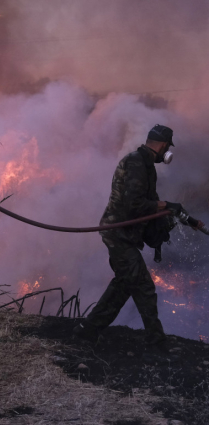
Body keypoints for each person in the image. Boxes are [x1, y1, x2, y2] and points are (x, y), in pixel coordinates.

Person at [73, 124, 188, 347]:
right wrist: (167, 204)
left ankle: (87, 331)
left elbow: (150, 203)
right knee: (143, 285)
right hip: (118, 233)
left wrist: (171, 216)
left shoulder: (146, 166)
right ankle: (157, 340)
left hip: (124, 233)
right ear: (164, 146)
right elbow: (135, 204)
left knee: (124, 284)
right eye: (167, 148)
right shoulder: (136, 162)